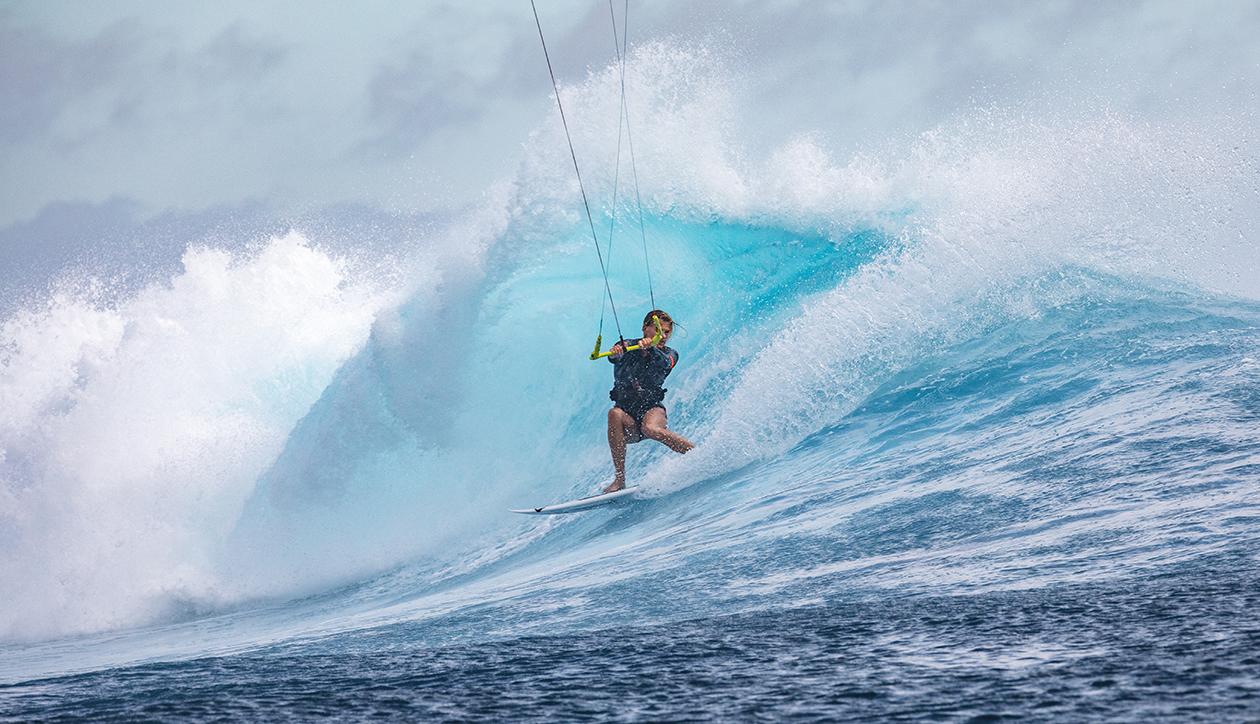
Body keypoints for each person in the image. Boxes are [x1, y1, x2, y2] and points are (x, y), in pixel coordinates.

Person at [603, 309, 695, 492]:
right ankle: (620, 480)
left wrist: (651, 347)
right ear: (645, 328)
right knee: (613, 413)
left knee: (650, 428)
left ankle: (698, 455)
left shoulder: (670, 354)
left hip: (652, 410)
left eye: (667, 332)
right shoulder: (627, 345)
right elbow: (614, 357)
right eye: (658, 330)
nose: (663, 335)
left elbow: (666, 363)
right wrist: (614, 353)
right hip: (628, 420)